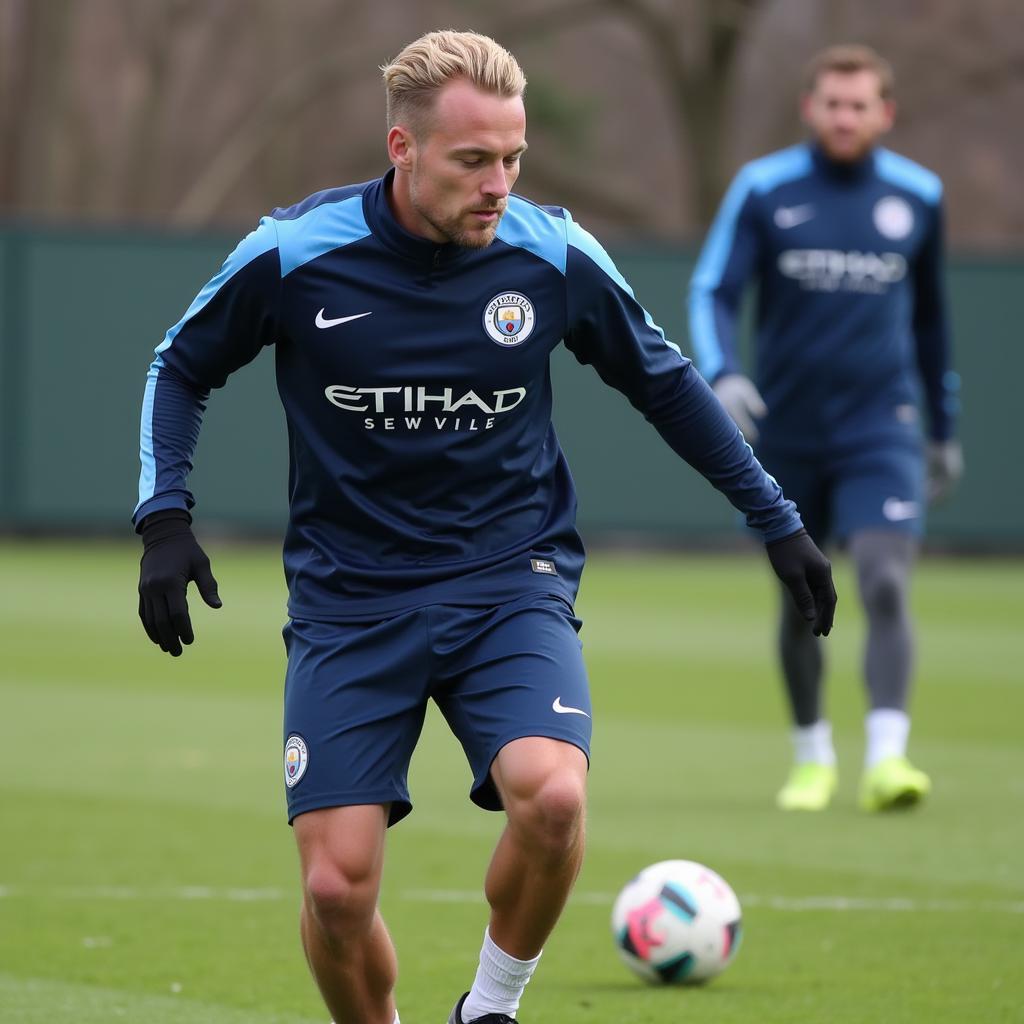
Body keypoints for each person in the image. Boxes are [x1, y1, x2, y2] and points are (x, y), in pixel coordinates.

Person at [134, 30, 835, 1024]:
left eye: (512, 158)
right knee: (336, 892)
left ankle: (489, 1008)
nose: (498, 182)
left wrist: (776, 522)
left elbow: (666, 385)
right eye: (472, 160)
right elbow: (179, 365)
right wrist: (165, 517)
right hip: (351, 596)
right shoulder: (295, 253)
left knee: (550, 798)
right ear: (402, 147)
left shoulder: (550, 253)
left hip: (510, 576)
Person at [689, 44, 961, 814]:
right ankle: (812, 757)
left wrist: (944, 427)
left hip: (884, 427)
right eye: (832, 104)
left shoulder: (919, 195)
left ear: (885, 113)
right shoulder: (765, 188)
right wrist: (724, 373)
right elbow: (714, 289)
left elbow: (934, 321)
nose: (845, 116)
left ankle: (887, 759)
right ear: (810, 108)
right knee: (803, 597)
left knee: (882, 579)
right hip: (788, 432)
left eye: (860, 104)